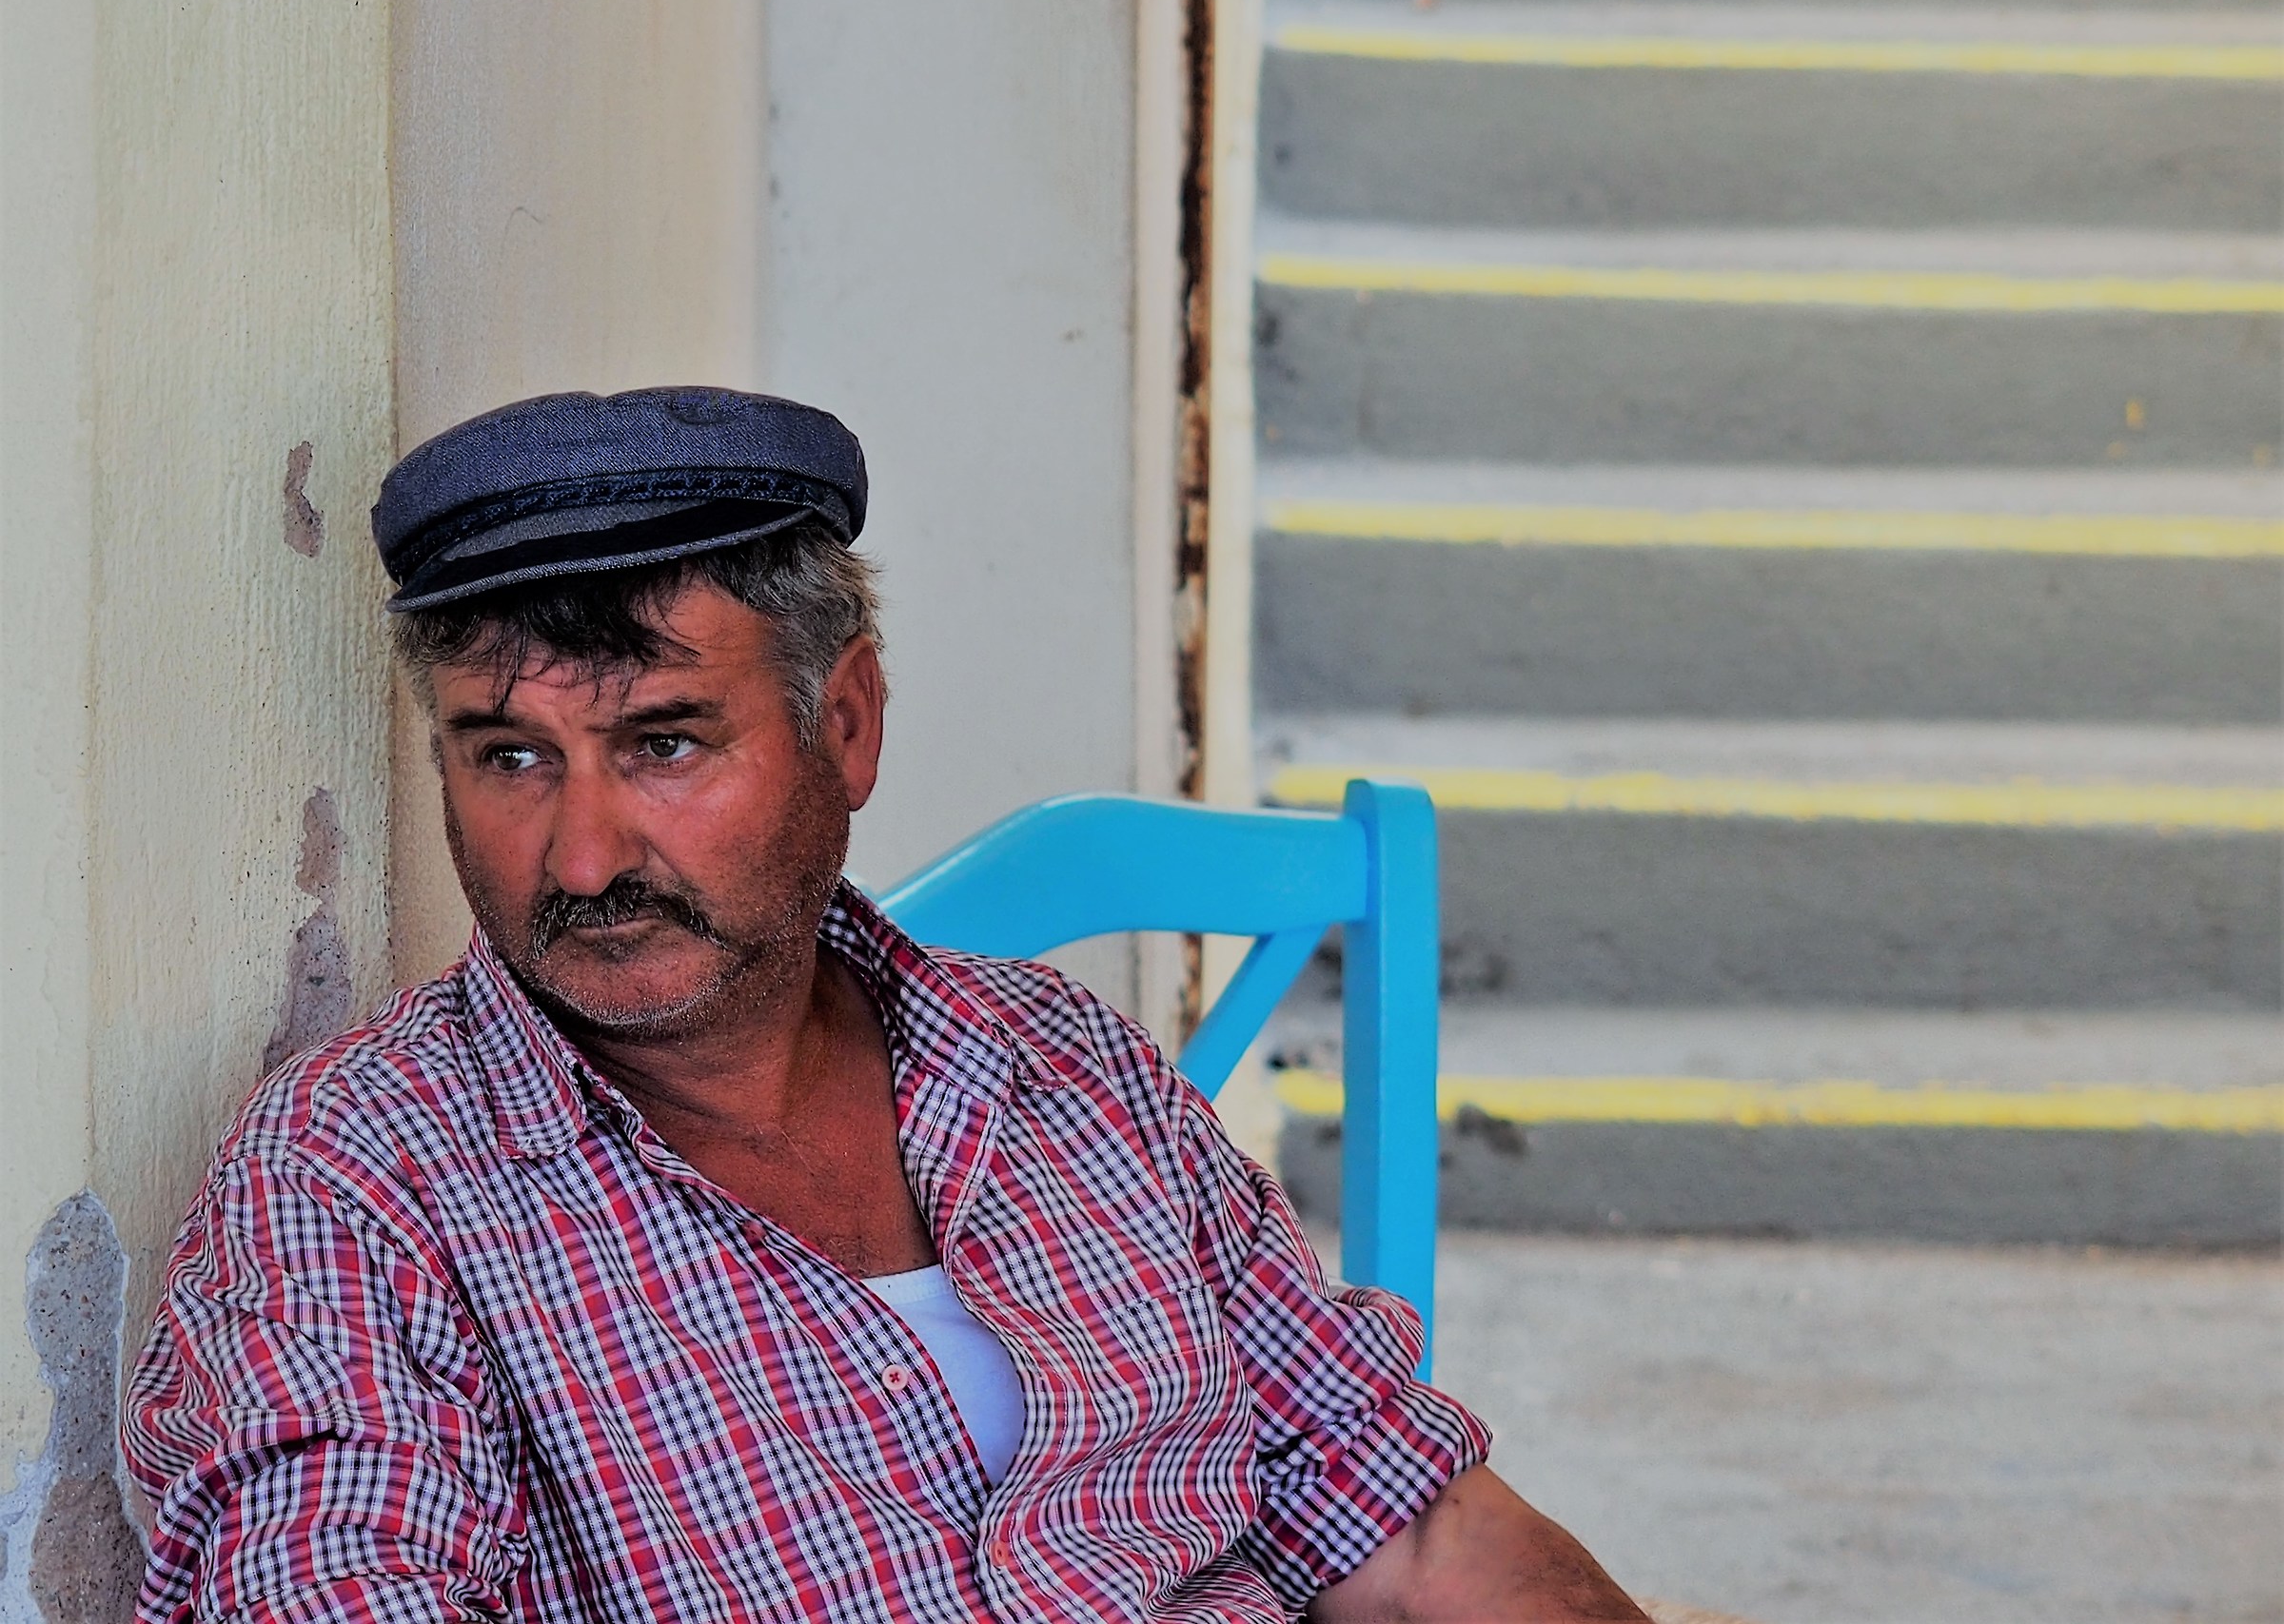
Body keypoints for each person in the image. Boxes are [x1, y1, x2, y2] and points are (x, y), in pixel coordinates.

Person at [124, 388, 1649, 1623]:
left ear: (844, 725)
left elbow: (1411, 1533)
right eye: (510, 758)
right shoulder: (358, 1179)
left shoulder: (1061, 1069)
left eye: (665, 744)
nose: (582, 858)